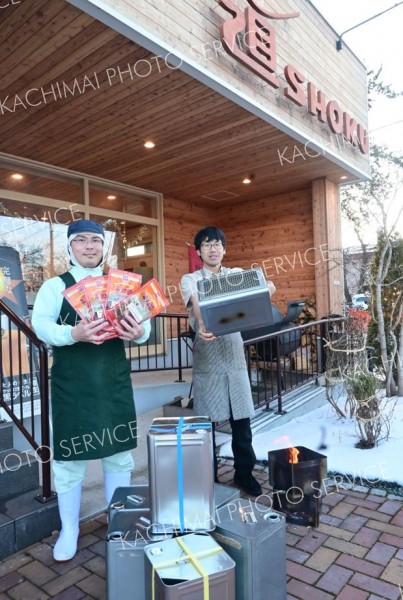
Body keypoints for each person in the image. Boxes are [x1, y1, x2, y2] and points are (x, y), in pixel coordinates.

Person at [32, 219, 150, 561]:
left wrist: (137, 332)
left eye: (95, 241)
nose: (88, 246)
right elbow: (40, 325)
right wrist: (73, 334)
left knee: (118, 454)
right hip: (73, 386)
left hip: (112, 382)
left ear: (103, 247)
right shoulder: (55, 286)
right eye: (81, 240)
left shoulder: (120, 285)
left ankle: (117, 521)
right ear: (70, 247)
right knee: (69, 460)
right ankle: (70, 529)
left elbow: (145, 325)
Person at [181, 226, 275, 496]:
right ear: (199, 251)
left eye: (217, 244)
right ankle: (209, 480)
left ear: (224, 249)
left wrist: (268, 288)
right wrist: (201, 323)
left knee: (242, 426)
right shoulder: (190, 279)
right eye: (207, 245)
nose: (213, 249)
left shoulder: (236, 276)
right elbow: (197, 302)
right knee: (207, 427)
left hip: (234, 357)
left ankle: (244, 474)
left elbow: (261, 289)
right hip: (207, 355)